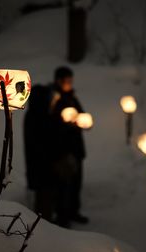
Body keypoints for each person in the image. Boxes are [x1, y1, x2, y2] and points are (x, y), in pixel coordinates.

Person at [50, 66, 88, 228]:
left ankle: (73, 211)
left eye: (71, 80)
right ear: (59, 81)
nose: (70, 83)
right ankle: (62, 216)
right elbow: (51, 123)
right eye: (67, 80)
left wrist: (84, 121)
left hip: (76, 148)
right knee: (64, 183)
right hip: (62, 150)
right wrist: (67, 124)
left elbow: (81, 114)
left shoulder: (72, 97)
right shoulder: (54, 98)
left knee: (76, 182)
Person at [24, 84, 55, 221]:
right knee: (44, 199)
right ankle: (43, 226)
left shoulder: (34, 114)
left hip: (39, 166)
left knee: (44, 197)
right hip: (42, 166)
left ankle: (44, 223)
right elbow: (41, 143)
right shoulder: (38, 117)